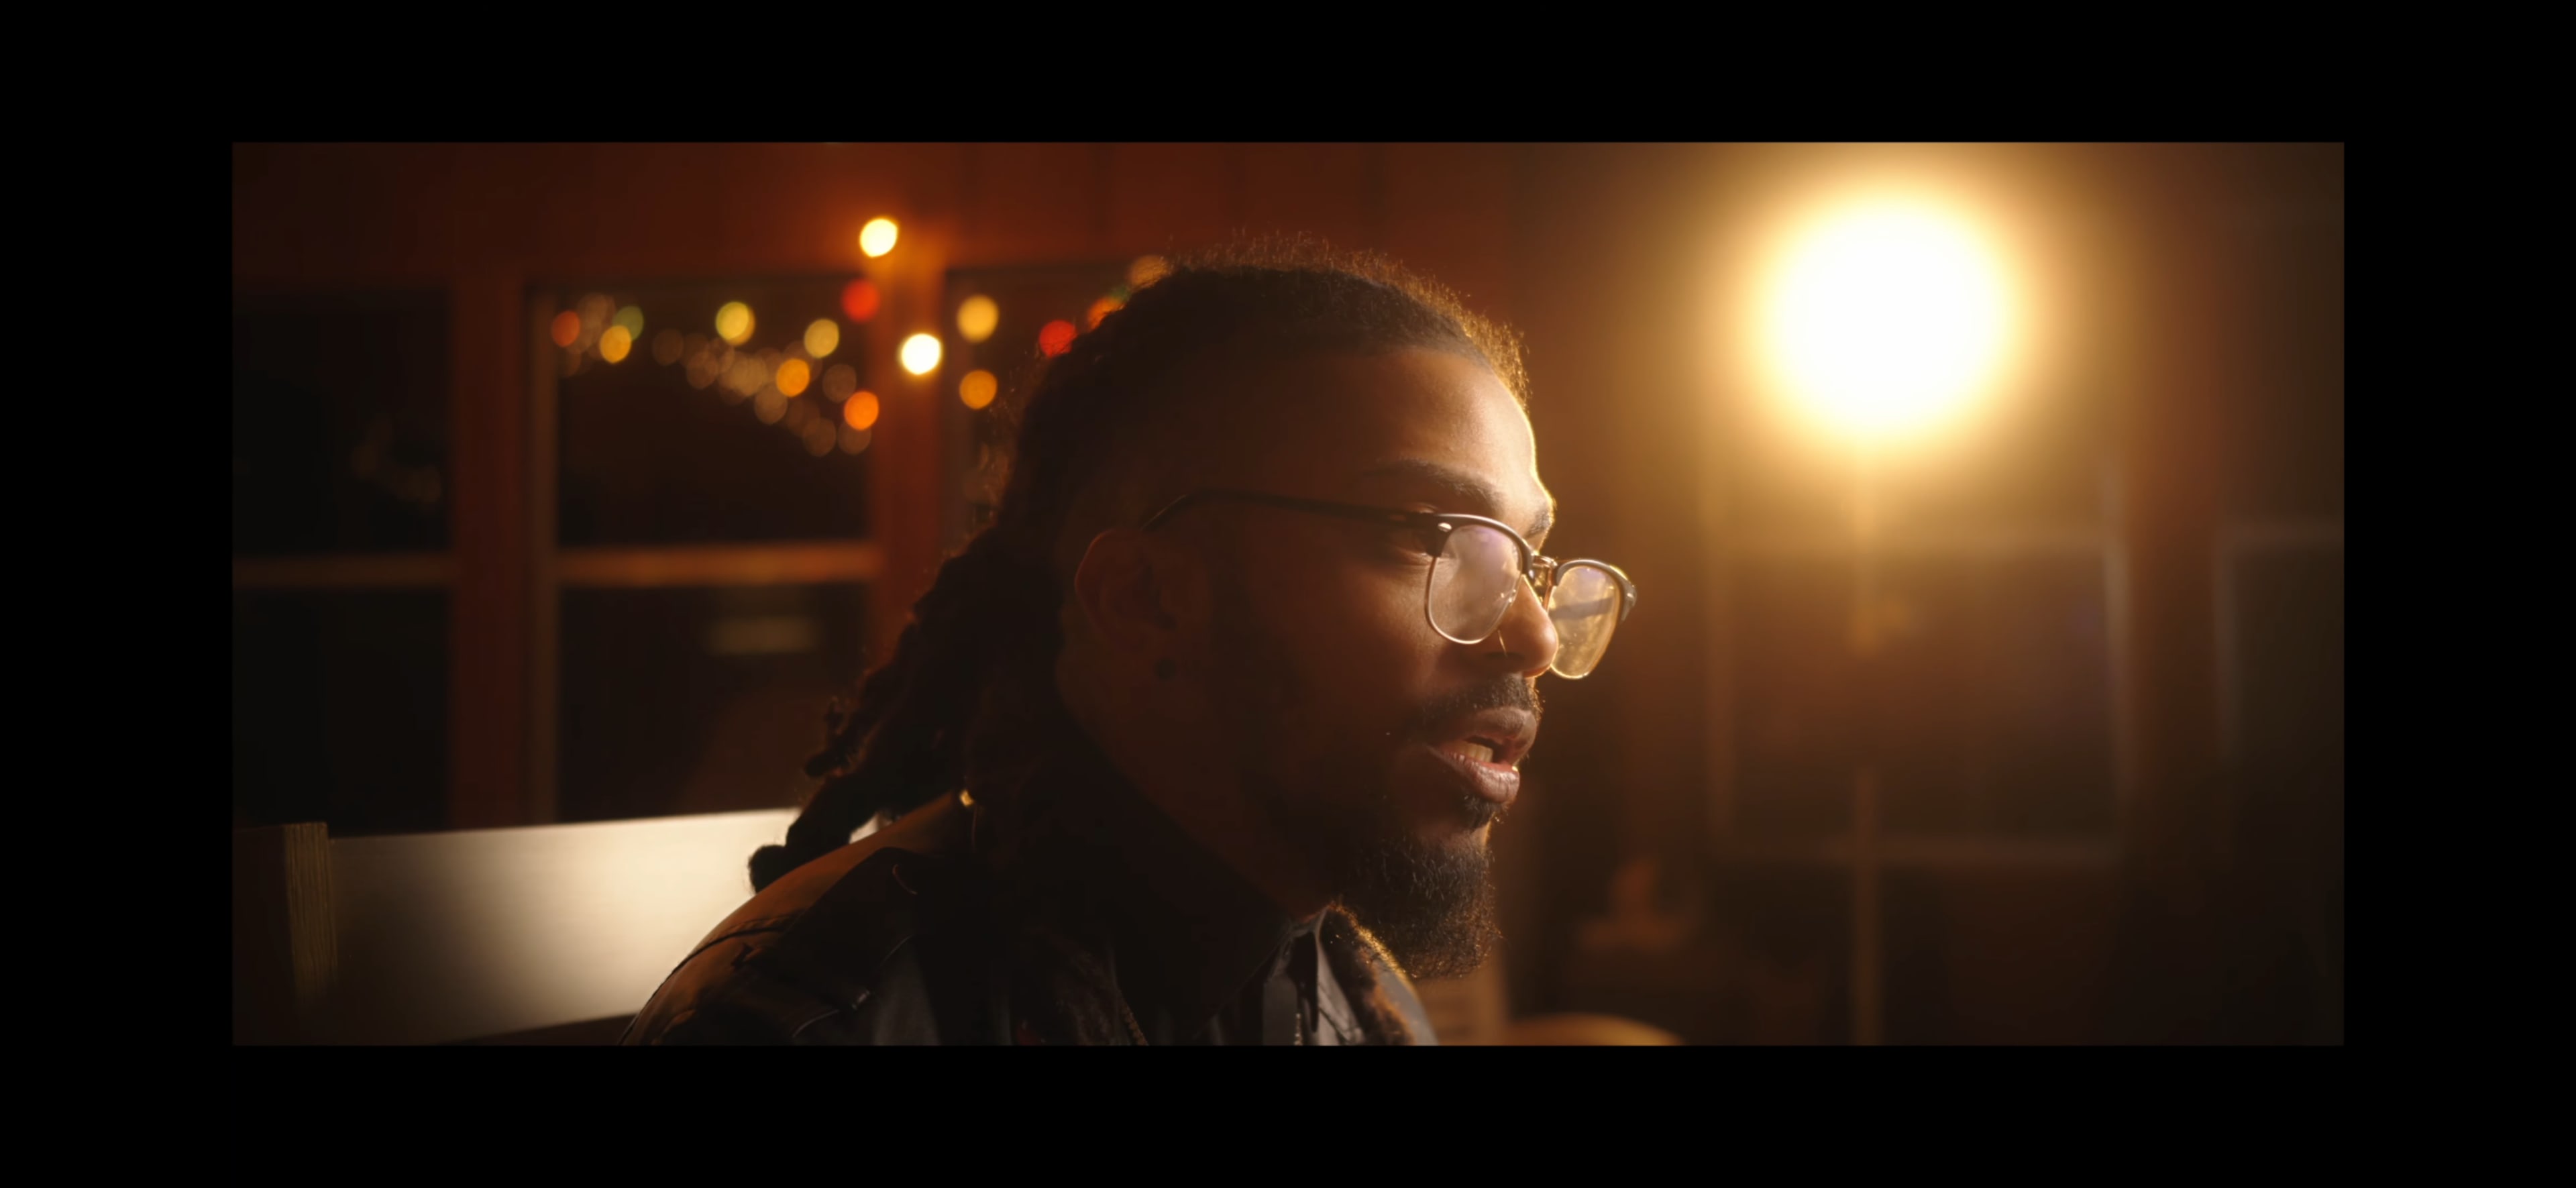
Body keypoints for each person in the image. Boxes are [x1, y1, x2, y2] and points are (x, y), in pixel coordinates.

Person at [624, 241, 1636, 1044]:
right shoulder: (808, 1026)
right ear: (1147, 598)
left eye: (1529, 560)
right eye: (1433, 537)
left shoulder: (1358, 999)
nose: (1536, 635)